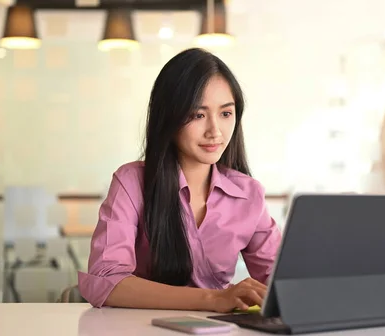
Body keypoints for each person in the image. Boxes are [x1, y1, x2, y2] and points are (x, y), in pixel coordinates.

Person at [77, 48, 282, 313]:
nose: (215, 131)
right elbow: (106, 280)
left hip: (216, 331)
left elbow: (281, 282)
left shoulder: (248, 194)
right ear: (169, 118)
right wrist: (214, 299)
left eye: (226, 114)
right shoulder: (131, 182)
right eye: (198, 115)